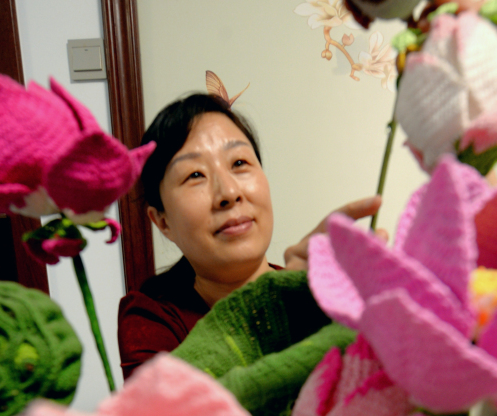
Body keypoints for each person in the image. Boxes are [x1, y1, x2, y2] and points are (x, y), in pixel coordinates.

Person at [117, 92, 382, 379]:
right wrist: (275, 308)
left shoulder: (319, 292)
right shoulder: (151, 317)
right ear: (162, 221)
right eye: (194, 175)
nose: (229, 193)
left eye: (239, 163)